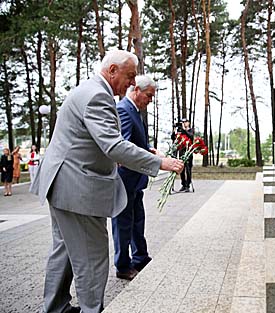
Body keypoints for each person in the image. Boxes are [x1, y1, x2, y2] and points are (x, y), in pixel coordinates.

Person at [30, 50, 184, 313]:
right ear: (112, 70)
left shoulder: (89, 90)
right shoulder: (98, 95)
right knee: (92, 258)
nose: (133, 83)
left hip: (62, 185)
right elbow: (113, 145)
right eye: (130, 76)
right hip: (76, 190)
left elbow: (97, 143)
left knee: (64, 251)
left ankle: (56, 308)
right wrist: (160, 162)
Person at [112, 75, 161, 280]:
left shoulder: (136, 111)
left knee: (137, 220)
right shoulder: (124, 109)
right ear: (136, 90)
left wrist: (148, 149)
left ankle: (140, 257)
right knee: (123, 223)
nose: (150, 100)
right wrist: (150, 157)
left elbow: (134, 143)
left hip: (135, 179)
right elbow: (123, 147)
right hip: (125, 179)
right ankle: (123, 265)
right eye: (149, 95)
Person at [178, 118, 194, 192]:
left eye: (185, 122)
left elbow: (190, 136)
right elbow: (173, 137)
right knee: (182, 169)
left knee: (188, 169)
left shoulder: (191, 130)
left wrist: (184, 129)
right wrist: (175, 131)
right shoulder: (181, 131)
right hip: (181, 151)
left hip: (188, 152)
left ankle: (188, 185)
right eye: (182, 122)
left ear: (188, 123)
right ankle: (183, 184)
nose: (184, 123)